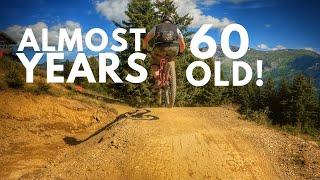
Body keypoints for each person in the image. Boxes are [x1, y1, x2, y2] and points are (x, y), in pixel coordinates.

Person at [142, 15, 186, 88]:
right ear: (172, 21)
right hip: (173, 49)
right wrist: (181, 52)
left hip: (159, 48)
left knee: (154, 63)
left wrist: (144, 49)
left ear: (162, 20)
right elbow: (182, 43)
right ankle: (169, 76)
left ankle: (158, 78)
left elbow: (146, 39)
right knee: (171, 59)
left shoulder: (157, 27)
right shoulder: (176, 28)